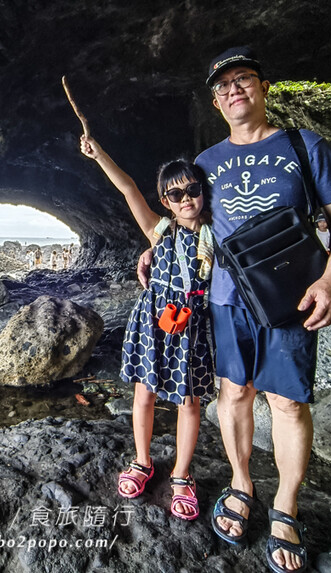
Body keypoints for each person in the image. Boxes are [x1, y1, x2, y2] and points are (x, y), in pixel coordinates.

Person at [138, 47, 331, 573]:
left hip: (291, 295)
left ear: (263, 88)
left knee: (286, 403)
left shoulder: (303, 147)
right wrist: (156, 244)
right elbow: (185, 215)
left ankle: (286, 503)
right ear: (216, 104)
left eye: (243, 79)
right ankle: (243, 482)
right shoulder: (207, 163)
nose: (233, 89)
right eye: (222, 86)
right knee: (233, 391)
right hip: (225, 297)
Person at [81, 135, 216, 521]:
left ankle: (181, 475)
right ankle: (142, 461)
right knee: (144, 395)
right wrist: (100, 153)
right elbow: (127, 188)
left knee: (188, 403)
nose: (186, 199)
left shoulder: (216, 234)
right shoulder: (160, 232)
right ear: (165, 202)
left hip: (191, 326)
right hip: (153, 321)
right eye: (176, 195)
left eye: (192, 190)